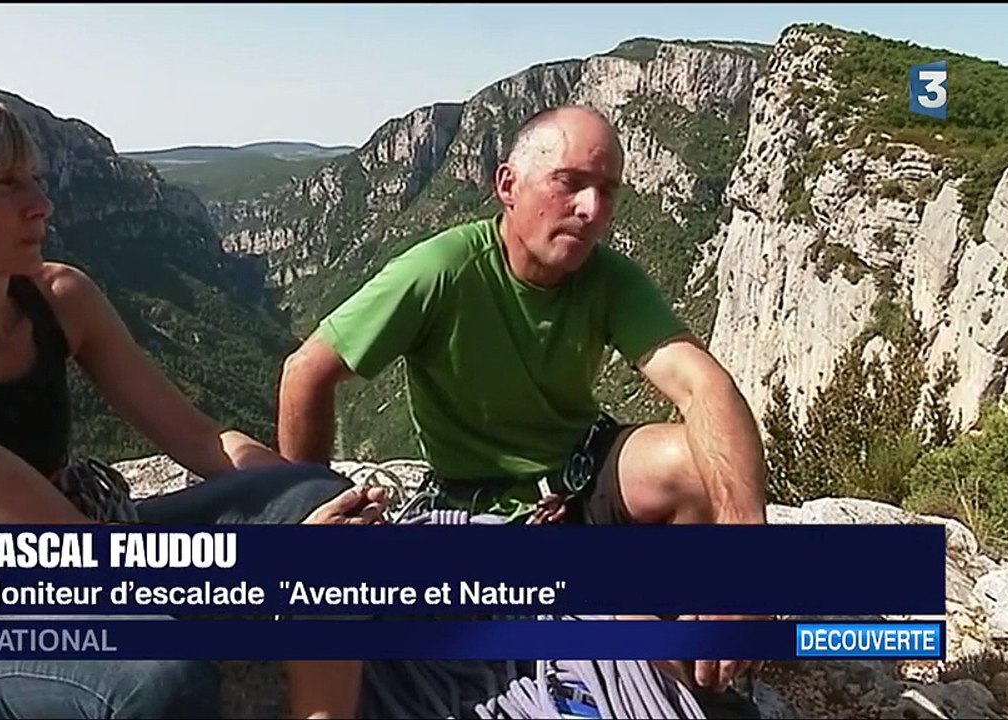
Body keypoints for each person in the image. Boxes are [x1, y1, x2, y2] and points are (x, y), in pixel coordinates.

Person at [0, 85, 381, 720]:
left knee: (316, 496)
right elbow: (51, 542)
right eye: (6, 184)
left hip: (95, 539)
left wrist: (313, 498)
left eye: (33, 179)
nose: (42, 204)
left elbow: (200, 440)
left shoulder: (60, 297)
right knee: (159, 676)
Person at [276, 106, 769, 694]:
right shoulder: (444, 269)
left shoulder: (607, 278)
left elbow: (703, 383)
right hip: (483, 511)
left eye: (607, 192)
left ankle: (692, 646)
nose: (592, 211)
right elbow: (307, 370)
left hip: (585, 477)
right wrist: (314, 509)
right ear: (507, 185)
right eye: (570, 184)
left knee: (691, 464)